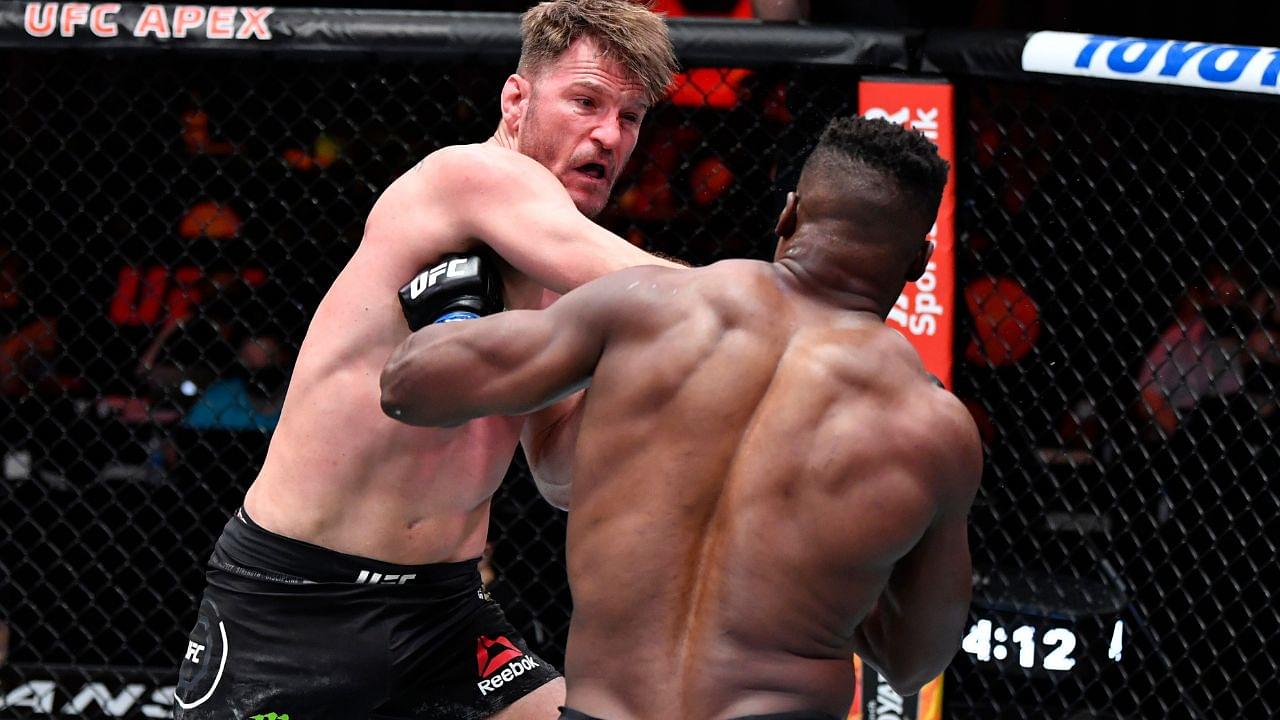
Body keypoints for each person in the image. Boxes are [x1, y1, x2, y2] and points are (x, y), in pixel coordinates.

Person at [381, 116, 983, 720]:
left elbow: (409, 385)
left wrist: (460, 310)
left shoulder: (649, 307)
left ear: (789, 215)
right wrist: (832, 571)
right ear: (919, 261)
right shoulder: (933, 430)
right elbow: (914, 662)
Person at [172, 1, 679, 718]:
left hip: (446, 615)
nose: (608, 134)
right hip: (298, 606)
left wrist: (618, 380)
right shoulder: (469, 177)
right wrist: (793, 305)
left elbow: (561, 477)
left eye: (630, 118)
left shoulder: (563, 278)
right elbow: (669, 295)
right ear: (516, 98)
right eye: (586, 102)